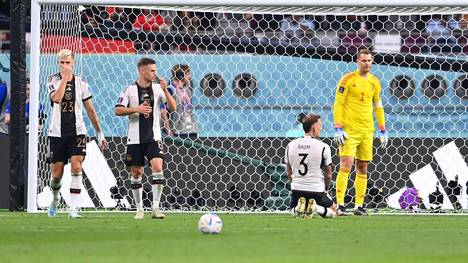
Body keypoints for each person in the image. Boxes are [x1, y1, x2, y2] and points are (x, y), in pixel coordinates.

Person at [46, 49, 107, 218]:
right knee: (57, 174)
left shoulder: (81, 83)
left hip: (78, 132)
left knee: (76, 165)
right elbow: (56, 99)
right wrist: (65, 79)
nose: (65, 65)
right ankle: (55, 198)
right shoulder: (52, 80)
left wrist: (99, 133)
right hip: (57, 133)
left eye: (67, 62)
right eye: (62, 62)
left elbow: (90, 109)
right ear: (58, 63)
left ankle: (73, 209)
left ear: (73, 63)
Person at [115, 57, 176, 219]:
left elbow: (173, 107)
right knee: (136, 172)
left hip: (154, 137)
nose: (155, 73)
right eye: (152, 70)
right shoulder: (129, 90)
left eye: (155, 70)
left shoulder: (157, 89)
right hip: (134, 138)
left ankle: (155, 208)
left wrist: (165, 90)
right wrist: (137, 109)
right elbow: (118, 110)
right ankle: (139, 209)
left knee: (157, 167)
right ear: (142, 71)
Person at [333, 48, 388, 216]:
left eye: (369, 61)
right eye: (364, 60)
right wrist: (338, 126)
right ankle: (340, 205)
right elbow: (338, 103)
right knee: (345, 165)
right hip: (349, 131)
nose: (367, 64)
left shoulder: (375, 81)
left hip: (367, 131)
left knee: (363, 167)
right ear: (357, 61)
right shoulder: (347, 79)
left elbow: (377, 105)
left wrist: (382, 128)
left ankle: (359, 206)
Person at [285, 114, 336, 219]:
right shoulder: (324, 147)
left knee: (293, 211)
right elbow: (328, 175)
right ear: (314, 128)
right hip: (316, 189)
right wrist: (325, 189)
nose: (321, 128)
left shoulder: (290, 145)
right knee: (334, 211)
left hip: (297, 189)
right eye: (320, 126)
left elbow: (289, 173)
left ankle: (298, 208)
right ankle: (316, 207)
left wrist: (295, 184)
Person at [162, 64, 198, 139]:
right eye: (188, 74)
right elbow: (163, 110)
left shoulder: (187, 90)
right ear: (180, 76)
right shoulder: (170, 89)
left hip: (190, 130)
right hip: (177, 131)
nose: (190, 77)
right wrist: (168, 129)